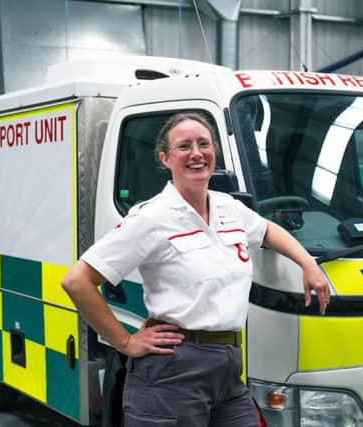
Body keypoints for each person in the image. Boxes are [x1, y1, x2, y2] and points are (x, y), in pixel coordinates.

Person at [61, 112, 331, 426]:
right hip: (174, 370)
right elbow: (77, 281)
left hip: (228, 367)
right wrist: (125, 342)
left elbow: (268, 230)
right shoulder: (152, 218)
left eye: (204, 143)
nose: (197, 153)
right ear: (165, 158)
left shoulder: (228, 208)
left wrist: (308, 263)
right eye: (184, 146)